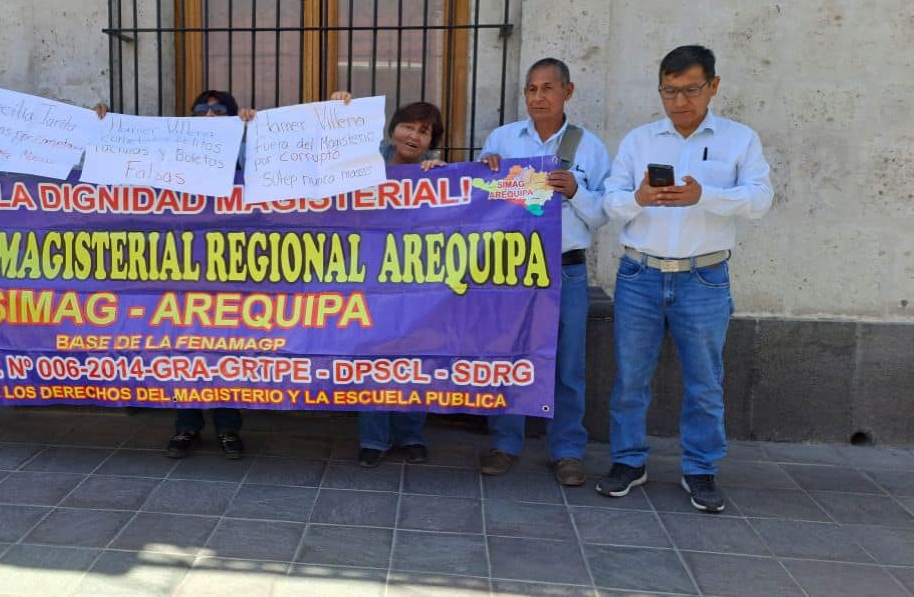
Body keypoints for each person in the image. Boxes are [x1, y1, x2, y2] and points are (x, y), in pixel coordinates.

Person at [598, 45, 773, 512]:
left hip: (704, 277)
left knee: (705, 382)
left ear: (713, 86)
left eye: (691, 90)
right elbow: (610, 203)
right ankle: (628, 461)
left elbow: (760, 200)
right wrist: (638, 198)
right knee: (630, 378)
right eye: (669, 91)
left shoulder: (739, 139)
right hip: (640, 274)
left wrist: (705, 196)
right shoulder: (640, 141)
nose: (679, 101)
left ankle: (700, 469)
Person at [95, 90, 256, 459]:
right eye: (202, 110)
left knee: (223, 347)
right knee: (184, 344)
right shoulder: (169, 149)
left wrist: (251, 132)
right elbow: (119, 169)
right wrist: (102, 128)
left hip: (229, 266)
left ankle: (228, 428)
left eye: (220, 110)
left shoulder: (243, 152)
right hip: (178, 266)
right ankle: (187, 428)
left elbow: (265, 173)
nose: (210, 116)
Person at [476, 58, 610, 485]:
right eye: (531, 89)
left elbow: (604, 214)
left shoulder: (589, 148)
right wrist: (486, 171)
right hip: (512, 269)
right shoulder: (502, 139)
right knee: (509, 357)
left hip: (566, 269)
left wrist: (576, 191)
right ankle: (505, 442)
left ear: (567, 92)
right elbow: (479, 201)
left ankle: (567, 450)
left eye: (548, 88)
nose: (538, 97)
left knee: (568, 365)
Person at [328, 91, 445, 467]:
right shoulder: (364, 161)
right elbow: (323, 154)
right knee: (372, 355)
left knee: (415, 356)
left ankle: (411, 435)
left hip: (416, 280)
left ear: (431, 142)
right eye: (408, 126)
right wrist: (339, 110)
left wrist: (444, 177)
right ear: (393, 129)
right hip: (366, 277)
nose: (414, 136)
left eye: (424, 132)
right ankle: (374, 439)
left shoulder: (435, 173)